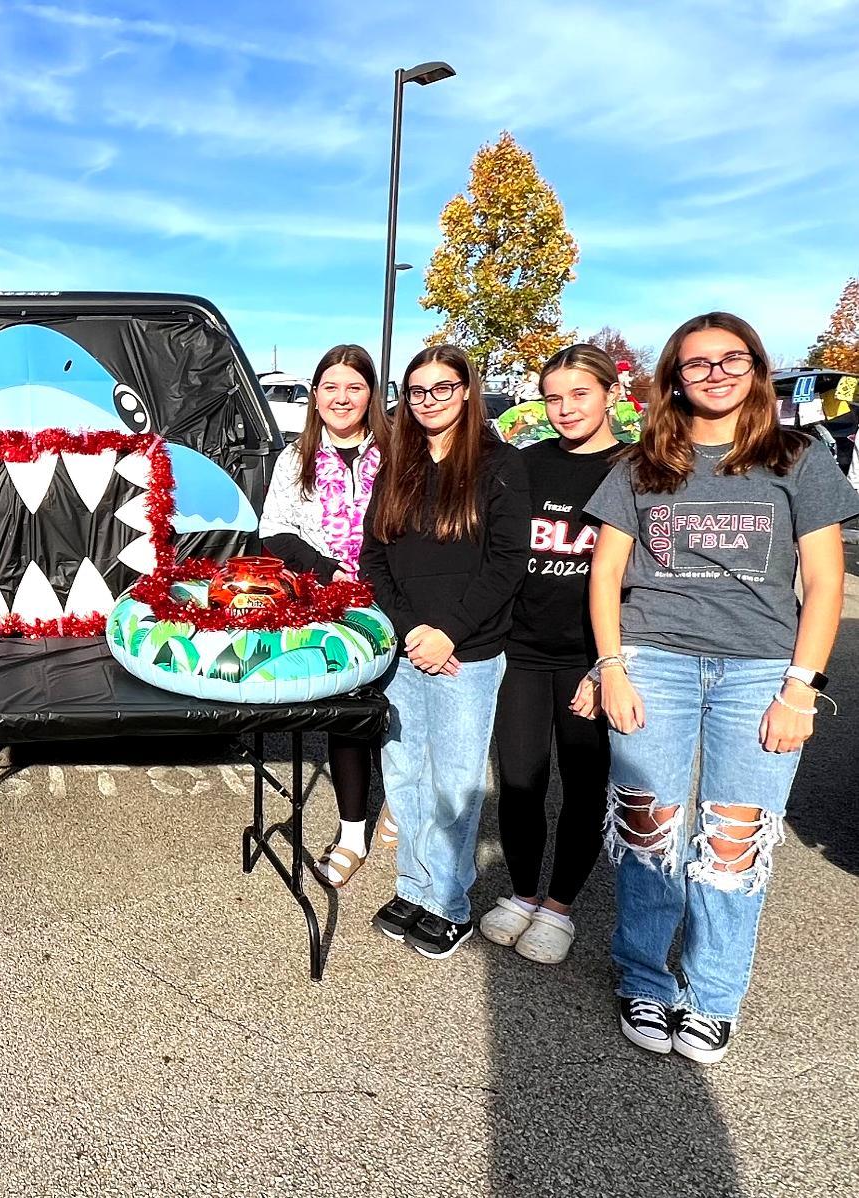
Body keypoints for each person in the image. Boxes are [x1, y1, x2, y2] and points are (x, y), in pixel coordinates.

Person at [579, 312, 857, 1063]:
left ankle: (711, 996)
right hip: (653, 662)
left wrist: (802, 688)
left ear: (757, 369)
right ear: (674, 378)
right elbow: (606, 574)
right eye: (696, 364)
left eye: (730, 360)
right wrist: (611, 668)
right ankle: (644, 979)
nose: (714, 374)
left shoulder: (798, 459)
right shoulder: (642, 464)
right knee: (649, 826)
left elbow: (826, 580)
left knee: (734, 839)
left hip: (761, 669)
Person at [360, 345, 529, 960]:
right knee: (404, 774)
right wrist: (411, 630)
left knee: (453, 782)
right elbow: (373, 558)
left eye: (441, 387)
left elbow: (508, 563)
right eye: (417, 390)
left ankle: (448, 904)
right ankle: (413, 885)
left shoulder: (500, 466)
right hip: (406, 648)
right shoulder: (396, 466)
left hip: (468, 652)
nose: (428, 400)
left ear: (465, 391)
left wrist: (449, 632)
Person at [479, 344, 629, 964]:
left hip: (592, 655)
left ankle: (560, 906)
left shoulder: (636, 469)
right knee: (518, 779)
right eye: (553, 397)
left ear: (611, 394)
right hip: (522, 648)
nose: (565, 409)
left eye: (579, 394)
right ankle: (519, 893)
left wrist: (609, 663)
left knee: (585, 783)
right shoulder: (523, 464)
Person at [256, 345, 387, 886]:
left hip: (394, 594)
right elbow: (275, 532)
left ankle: (401, 804)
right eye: (330, 387)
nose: (342, 397)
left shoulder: (398, 453)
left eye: (354, 387)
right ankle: (353, 832)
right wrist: (330, 570)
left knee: (407, 713)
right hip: (328, 602)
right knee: (347, 715)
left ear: (371, 395)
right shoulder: (296, 458)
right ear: (315, 396)